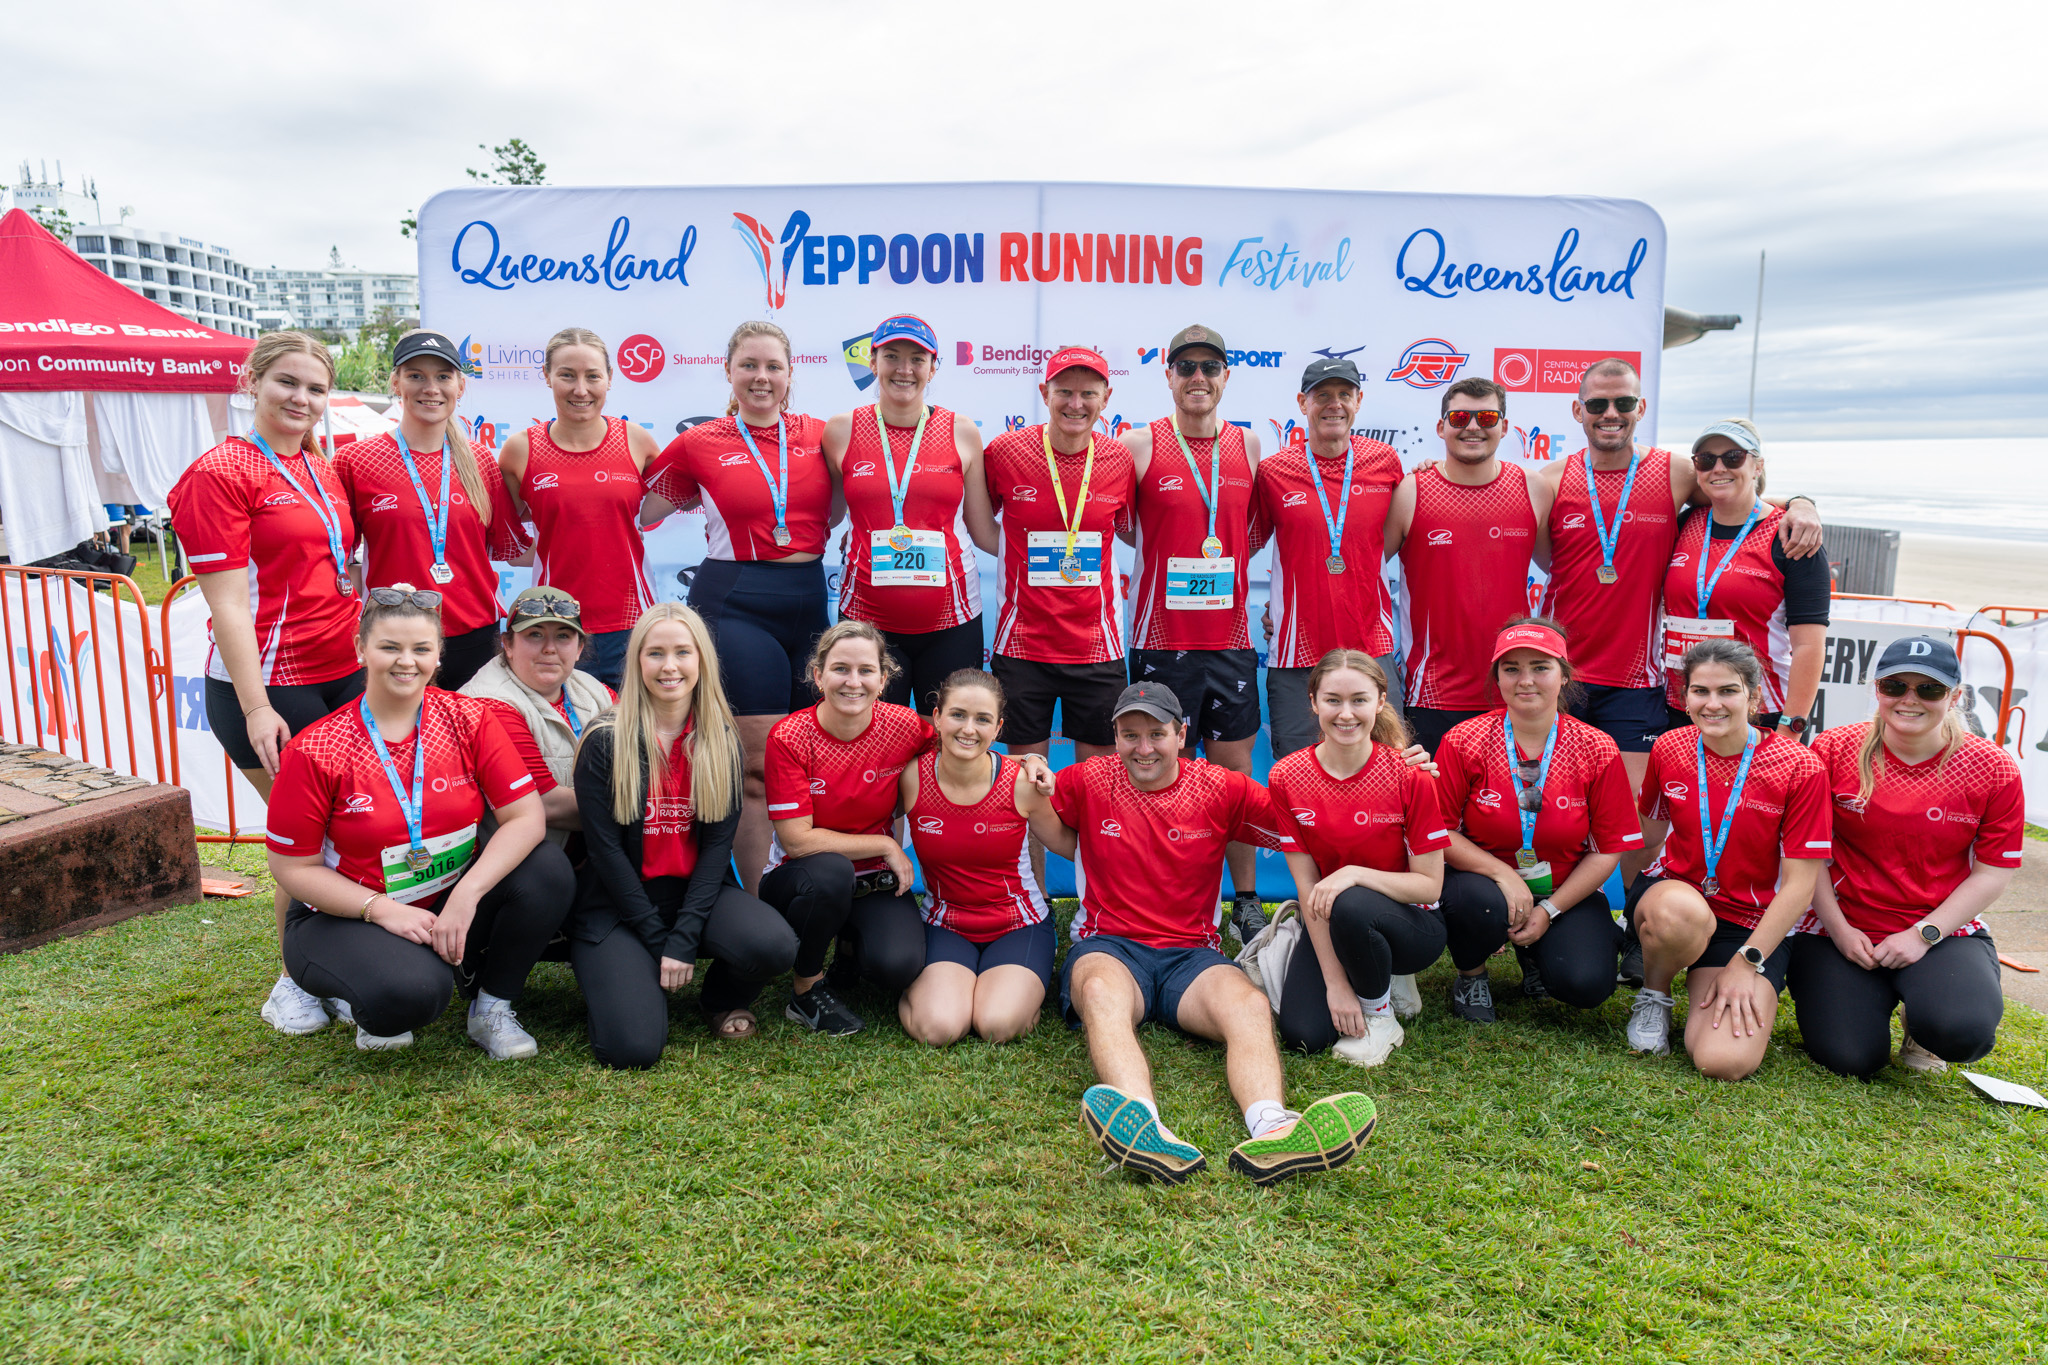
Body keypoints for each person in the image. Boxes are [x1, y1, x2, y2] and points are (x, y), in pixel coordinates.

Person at [1040, 681, 1379, 1188]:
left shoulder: (1221, 785)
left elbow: (1302, 822)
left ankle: (1273, 1127)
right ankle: (1142, 1128)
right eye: (1130, 735)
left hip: (1192, 956)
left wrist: (1391, 776)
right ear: (1114, 737)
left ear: (1181, 735)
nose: (1144, 748)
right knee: (1097, 993)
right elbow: (1037, 813)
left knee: (1249, 1006)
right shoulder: (1088, 778)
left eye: (1157, 734)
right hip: (1108, 944)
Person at [263, 584, 573, 1057]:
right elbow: (292, 869)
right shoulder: (316, 748)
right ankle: (342, 984)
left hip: (445, 897)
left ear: (438, 656)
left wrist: (467, 896)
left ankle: (492, 1007)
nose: (406, 661)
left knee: (546, 868)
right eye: (390, 647)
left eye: (421, 649)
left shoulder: (470, 718)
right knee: (410, 996)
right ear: (361, 649)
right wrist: (381, 910)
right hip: (349, 913)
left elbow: (526, 817)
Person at [167, 331, 365, 1038]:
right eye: (286, 382)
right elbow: (226, 605)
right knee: (302, 842)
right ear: (252, 380)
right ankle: (293, 981)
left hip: (344, 673)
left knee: (348, 832)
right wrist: (256, 707)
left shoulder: (321, 466)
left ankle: (339, 966)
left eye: (314, 388)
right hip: (272, 689)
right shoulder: (222, 470)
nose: (300, 399)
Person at [1537, 359, 1823, 776]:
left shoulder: (1676, 472)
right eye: (1598, 404)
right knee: (1563, 801)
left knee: (1638, 820)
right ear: (1578, 411)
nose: (1611, 414)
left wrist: (1801, 503)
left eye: (1624, 402)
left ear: (1641, 407)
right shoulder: (1549, 479)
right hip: (1570, 675)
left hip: (1642, 685)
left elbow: (1739, 498)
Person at [644, 321, 832, 893]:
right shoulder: (700, 442)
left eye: (773, 366)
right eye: (748, 365)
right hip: (735, 601)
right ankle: (758, 908)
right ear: (728, 371)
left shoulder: (822, 435)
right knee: (757, 769)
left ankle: (811, 895)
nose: (761, 377)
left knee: (816, 763)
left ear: (790, 374)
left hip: (809, 601)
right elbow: (647, 510)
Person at [567, 604, 799, 1065]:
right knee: (632, 1050)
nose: (669, 666)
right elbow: (607, 853)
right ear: (637, 662)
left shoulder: (721, 740)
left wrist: (684, 937)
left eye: (681, 652)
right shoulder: (604, 740)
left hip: (695, 892)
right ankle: (624, 983)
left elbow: (716, 849)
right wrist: (660, 941)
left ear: (701, 662)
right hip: (616, 904)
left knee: (775, 946)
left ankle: (717, 999)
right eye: (655, 653)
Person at [1790, 636, 2023, 1079]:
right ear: (1876, 689)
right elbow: (1808, 857)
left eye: (1929, 689)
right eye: (1895, 686)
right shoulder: (1833, 749)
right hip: (1841, 927)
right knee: (1851, 1058)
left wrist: (1923, 935)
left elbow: (1993, 872)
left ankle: (1922, 1019)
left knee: (1961, 1032)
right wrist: (1839, 930)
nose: (1909, 700)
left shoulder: (1992, 767)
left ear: (1955, 696)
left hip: (1939, 929)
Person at [1625, 640, 1830, 1074]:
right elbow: (1648, 837)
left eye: (1728, 691)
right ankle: (1654, 995)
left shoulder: (1800, 768)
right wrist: (1633, 912)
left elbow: (1800, 885)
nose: (1712, 704)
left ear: (1754, 698)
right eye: (1700, 691)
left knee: (1722, 1061)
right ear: (1685, 699)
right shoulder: (1670, 747)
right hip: (1679, 901)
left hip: (1749, 923)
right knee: (1678, 912)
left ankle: (1719, 977)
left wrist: (1747, 961)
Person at [1130, 326, 1273, 944]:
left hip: (1231, 637)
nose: (1197, 378)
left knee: (1234, 775)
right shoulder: (1139, 444)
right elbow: (1129, 528)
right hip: (1162, 639)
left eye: (1209, 367)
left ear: (1225, 377)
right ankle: (1170, 897)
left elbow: (1258, 530)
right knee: (1163, 770)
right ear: (1167, 375)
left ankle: (1244, 902)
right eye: (1185, 367)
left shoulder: (1250, 444)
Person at [1435, 619, 1643, 1022]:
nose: (1525, 680)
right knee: (1474, 902)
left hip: (1564, 889)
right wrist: (1502, 874)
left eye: (1540, 667)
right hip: (1483, 885)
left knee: (1586, 985)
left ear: (1563, 676)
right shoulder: (1464, 740)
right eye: (1511, 668)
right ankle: (1471, 975)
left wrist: (1549, 910)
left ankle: (1536, 956)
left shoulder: (1597, 747)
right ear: (1497, 678)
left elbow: (1608, 849)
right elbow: (1440, 831)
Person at [1267, 650, 1448, 1066]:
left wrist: (1351, 873)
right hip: (1333, 917)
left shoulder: (1410, 774)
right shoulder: (1287, 777)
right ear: (1313, 702)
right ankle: (1368, 976)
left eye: (1359, 700)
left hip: (1413, 924)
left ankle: (1381, 1014)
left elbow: (1430, 885)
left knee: (1352, 898)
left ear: (1381, 701)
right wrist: (1335, 985)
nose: (1345, 713)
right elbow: (1309, 889)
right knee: (1304, 1035)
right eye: (1332, 700)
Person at [760, 619, 938, 1036]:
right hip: (801, 877)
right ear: (818, 675)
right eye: (840, 669)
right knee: (831, 871)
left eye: (865, 671)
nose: (852, 682)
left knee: (899, 966)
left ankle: (849, 948)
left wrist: (1027, 764)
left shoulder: (904, 725)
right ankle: (805, 990)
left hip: (872, 876)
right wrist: (887, 845)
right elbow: (796, 839)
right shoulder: (790, 736)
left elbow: (964, 749)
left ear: (884, 677)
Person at [335, 329, 528, 693]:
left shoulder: (481, 460)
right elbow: (337, 559)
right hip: (396, 636)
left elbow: (512, 548)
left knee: (472, 744)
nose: (431, 388)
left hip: (475, 635)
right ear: (395, 382)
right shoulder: (355, 461)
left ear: (460, 386)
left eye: (442, 376)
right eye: (416, 376)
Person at [824, 315, 994, 711]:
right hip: (866, 624)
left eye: (917, 358)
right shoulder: (840, 429)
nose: (904, 369)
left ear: (933, 367)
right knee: (874, 740)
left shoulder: (961, 430)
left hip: (953, 621)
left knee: (947, 742)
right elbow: (824, 518)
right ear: (873, 362)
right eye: (892, 356)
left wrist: (1055, 555)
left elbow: (984, 532)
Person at [982, 346, 1134, 765]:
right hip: (1023, 643)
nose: (1075, 404)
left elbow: (1130, 531)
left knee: (1099, 779)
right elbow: (981, 526)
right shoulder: (1005, 451)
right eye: (1064, 391)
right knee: (1025, 780)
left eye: (1088, 394)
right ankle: (1035, 838)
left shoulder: (1120, 458)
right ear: (1044, 392)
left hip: (1097, 646)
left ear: (1107, 398)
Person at [1386, 378, 1554, 756]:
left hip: (1513, 691)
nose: (1473, 426)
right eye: (1460, 417)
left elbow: (1565, 569)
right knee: (1434, 813)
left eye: (1487, 416)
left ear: (1505, 427)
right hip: (1432, 694)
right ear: (1441, 426)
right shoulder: (1411, 491)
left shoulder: (1534, 487)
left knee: (1510, 814)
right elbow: (1363, 573)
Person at [1252, 356, 1406, 757]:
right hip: (1295, 653)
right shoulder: (1272, 471)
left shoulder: (1386, 462)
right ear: (1303, 403)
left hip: (1371, 647)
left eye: (1344, 394)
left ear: (1359, 401)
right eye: (1322, 395)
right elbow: (1242, 544)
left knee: (1386, 767)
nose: (1333, 404)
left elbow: (1402, 535)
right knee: (1296, 772)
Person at [496, 327, 664, 689]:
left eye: (592, 376)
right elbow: (508, 543)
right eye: (567, 375)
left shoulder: (636, 440)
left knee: (633, 740)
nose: (581, 389)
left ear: (610, 379)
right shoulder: (519, 449)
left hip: (632, 624)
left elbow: (692, 493)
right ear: (547, 377)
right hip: (555, 625)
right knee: (566, 742)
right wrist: (554, 552)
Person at [897, 669, 1055, 1046]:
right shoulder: (912, 777)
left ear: (997, 728)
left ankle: (1001, 991)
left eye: (982, 719)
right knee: (938, 1029)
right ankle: (943, 995)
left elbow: (1072, 845)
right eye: (958, 715)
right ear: (936, 717)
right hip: (944, 923)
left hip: (1019, 923)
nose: (969, 729)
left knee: (997, 1025)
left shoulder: (1022, 783)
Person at [1660, 419, 1829, 735]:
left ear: (1757, 466)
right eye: (1707, 460)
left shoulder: (1791, 536)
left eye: (1733, 457)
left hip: (1758, 713)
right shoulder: (1683, 524)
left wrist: (1791, 726)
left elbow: (1809, 645)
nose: (1719, 467)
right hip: (1683, 707)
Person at [459, 587, 616, 849]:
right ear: (507, 645)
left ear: (579, 648)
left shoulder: (595, 690)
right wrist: (644, 805)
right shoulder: (490, 703)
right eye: (535, 634)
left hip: (589, 846)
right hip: (523, 857)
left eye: (563, 636)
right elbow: (546, 803)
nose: (549, 648)